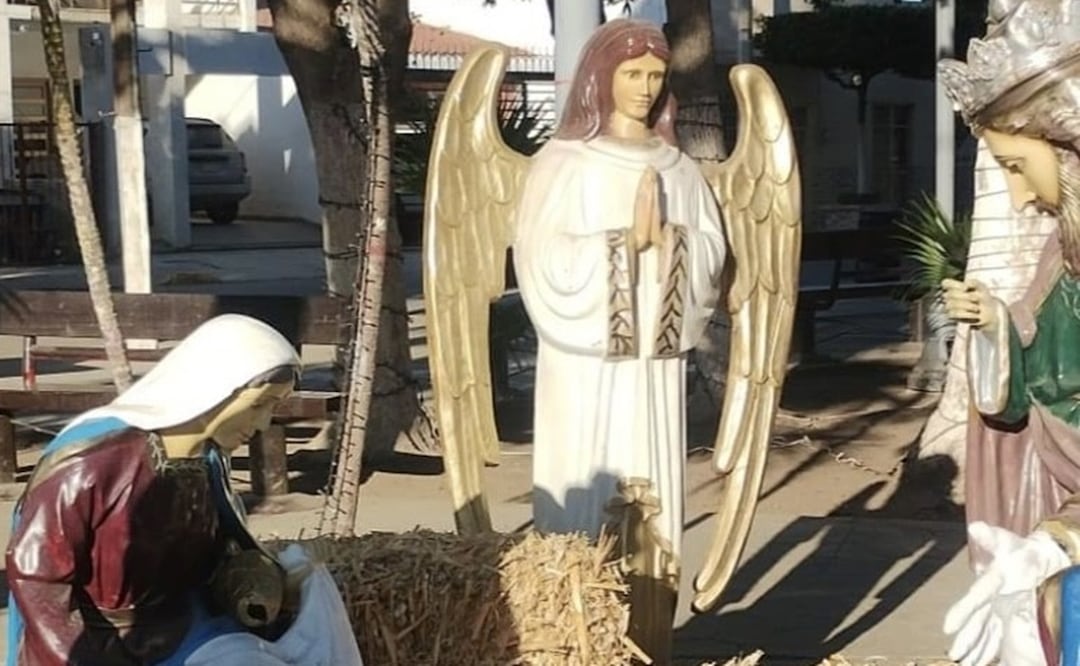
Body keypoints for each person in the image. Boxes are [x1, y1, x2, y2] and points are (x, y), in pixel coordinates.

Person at [512, 18, 727, 661]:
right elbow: (538, 258)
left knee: (652, 508)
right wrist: (622, 246)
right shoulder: (563, 163)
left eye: (655, 76)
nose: (644, 87)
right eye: (631, 74)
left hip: (650, 372)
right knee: (584, 503)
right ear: (600, 80)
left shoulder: (679, 169)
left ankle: (649, 641)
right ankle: (572, 641)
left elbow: (715, 259)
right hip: (584, 375)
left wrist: (674, 246)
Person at [5, 314, 362, 666]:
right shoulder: (94, 461)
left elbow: (216, 549)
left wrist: (254, 574)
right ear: (216, 387)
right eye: (257, 405)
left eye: (273, 407)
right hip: (101, 641)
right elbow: (38, 578)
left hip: (185, 629)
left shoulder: (208, 461)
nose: (264, 423)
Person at [935, 0, 1080, 663]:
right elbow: (1031, 393)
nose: (1019, 196)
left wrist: (1065, 534)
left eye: (1017, 165)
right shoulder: (1064, 257)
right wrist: (994, 321)